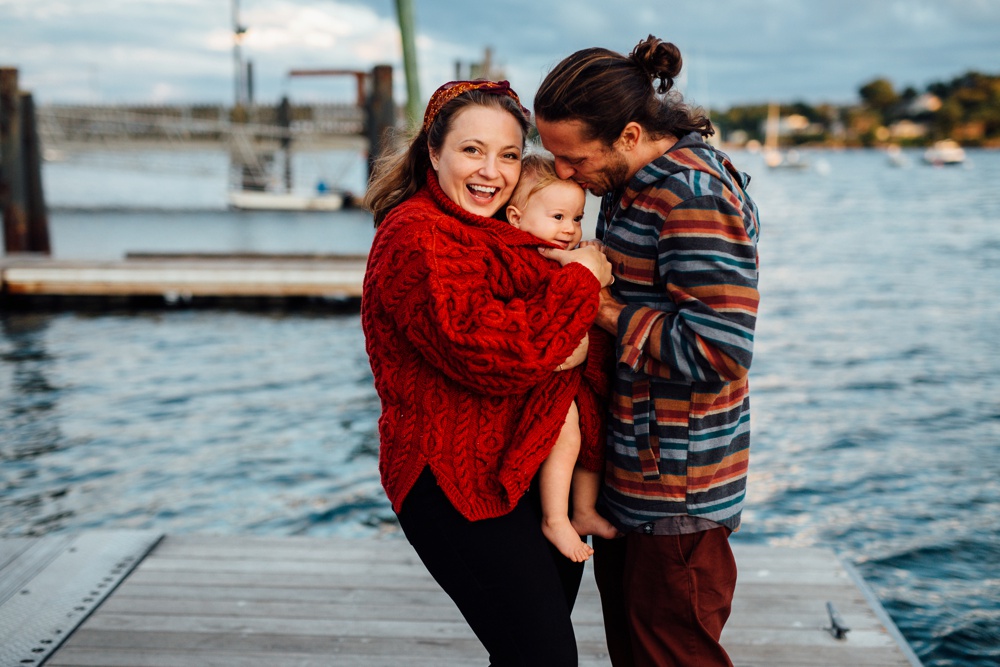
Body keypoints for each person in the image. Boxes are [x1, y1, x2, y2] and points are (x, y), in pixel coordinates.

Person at [361, 79, 613, 666]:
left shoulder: (503, 234)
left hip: (525, 465)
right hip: (451, 480)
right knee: (544, 657)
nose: (491, 172)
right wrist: (582, 279)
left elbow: (559, 348)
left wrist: (566, 333)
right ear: (433, 152)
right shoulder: (417, 236)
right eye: (472, 150)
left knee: (528, 653)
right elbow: (495, 355)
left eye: (506, 154)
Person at [534, 36, 761, 667]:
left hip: (677, 500)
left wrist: (595, 305)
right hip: (633, 483)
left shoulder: (692, 196)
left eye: (573, 158)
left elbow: (719, 352)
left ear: (629, 134)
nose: (562, 174)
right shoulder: (632, 185)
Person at [504, 153, 619, 563]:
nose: (569, 229)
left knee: (593, 429)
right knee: (568, 430)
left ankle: (584, 511)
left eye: (576, 218)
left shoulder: (566, 249)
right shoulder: (518, 258)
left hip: (581, 375)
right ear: (516, 218)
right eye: (557, 217)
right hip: (546, 379)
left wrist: (590, 253)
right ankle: (556, 518)